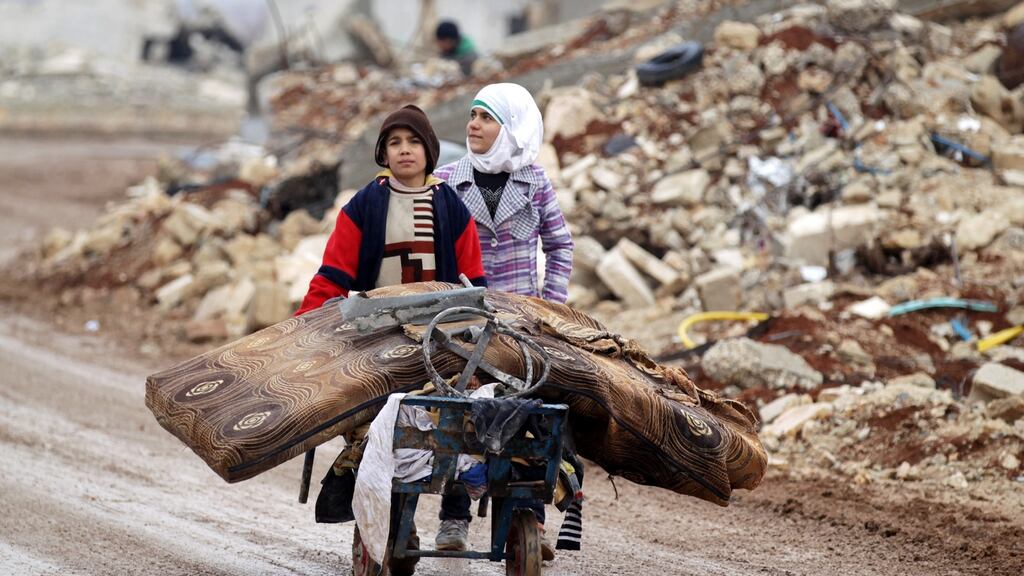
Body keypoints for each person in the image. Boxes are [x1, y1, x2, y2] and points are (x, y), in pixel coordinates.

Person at [432, 83, 574, 558]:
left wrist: (550, 306)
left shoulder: (535, 182)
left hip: (523, 328)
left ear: (511, 126)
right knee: (459, 413)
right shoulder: (449, 180)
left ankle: (528, 517)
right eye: (471, 115)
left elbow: (560, 246)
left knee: (529, 418)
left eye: (485, 117)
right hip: (462, 324)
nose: (473, 124)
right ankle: (453, 519)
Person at [295, 104, 486, 316]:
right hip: (378, 324)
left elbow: (472, 278)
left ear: (429, 150)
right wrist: (303, 321)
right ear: (384, 155)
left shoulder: (450, 206)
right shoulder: (364, 205)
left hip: (439, 322)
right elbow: (333, 276)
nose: (405, 149)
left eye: (414, 141)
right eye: (395, 142)